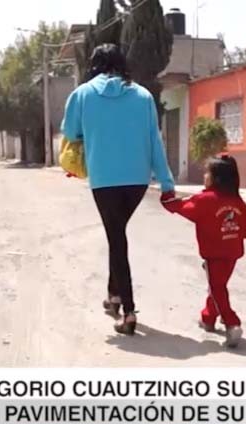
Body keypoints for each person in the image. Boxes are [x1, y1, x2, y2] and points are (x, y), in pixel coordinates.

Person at [62, 44, 175, 336]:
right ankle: (113, 296)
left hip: (104, 180)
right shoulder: (144, 96)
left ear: (95, 65)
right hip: (137, 181)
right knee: (117, 234)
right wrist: (166, 182)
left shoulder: (82, 95)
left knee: (117, 239)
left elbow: (71, 133)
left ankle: (128, 311)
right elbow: (155, 141)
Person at [160, 156, 246, 348]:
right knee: (218, 286)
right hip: (232, 253)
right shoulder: (237, 201)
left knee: (217, 288)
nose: (205, 176)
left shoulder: (204, 200)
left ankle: (232, 323)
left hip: (214, 255)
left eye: (207, 173)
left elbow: (179, 206)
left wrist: (167, 196)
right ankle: (208, 318)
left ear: (215, 178)